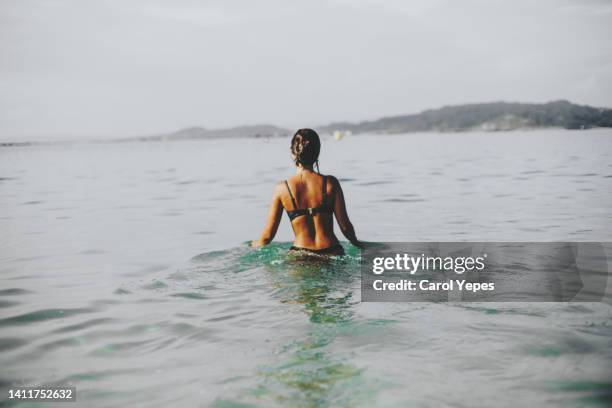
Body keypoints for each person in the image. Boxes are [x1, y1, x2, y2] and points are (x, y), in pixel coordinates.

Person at [251, 128, 362, 255]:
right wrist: (357, 244)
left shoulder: (282, 188)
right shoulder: (331, 183)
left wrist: (254, 244)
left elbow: (267, 237)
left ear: (293, 154)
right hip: (332, 251)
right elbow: (345, 227)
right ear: (317, 154)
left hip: (301, 254)